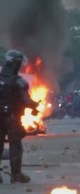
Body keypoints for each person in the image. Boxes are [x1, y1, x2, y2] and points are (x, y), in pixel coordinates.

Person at [0, 49, 39, 183]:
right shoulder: (18, 81)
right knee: (15, 145)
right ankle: (16, 175)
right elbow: (26, 100)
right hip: (11, 118)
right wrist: (35, 107)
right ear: (16, 64)